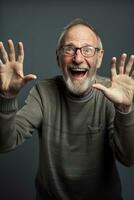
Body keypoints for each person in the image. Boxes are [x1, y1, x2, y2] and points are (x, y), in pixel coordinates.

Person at [0, 18, 134, 200]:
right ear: (58, 57)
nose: (78, 58)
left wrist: (125, 109)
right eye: (69, 49)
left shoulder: (112, 95)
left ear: (99, 57)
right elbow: (5, 143)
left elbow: (128, 158)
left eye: (87, 50)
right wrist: (7, 98)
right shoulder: (43, 92)